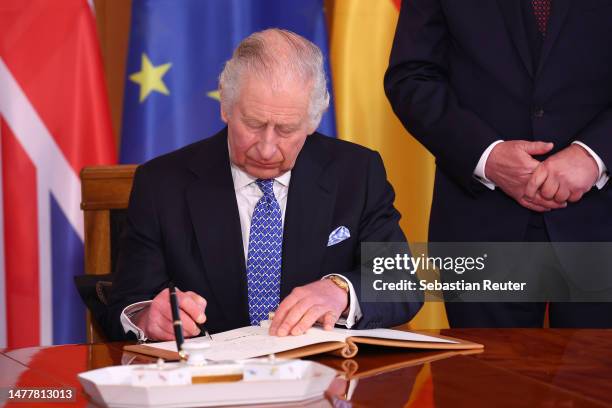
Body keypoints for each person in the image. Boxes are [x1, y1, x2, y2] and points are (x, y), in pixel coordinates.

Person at [105, 28, 421, 341]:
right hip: (210, 382)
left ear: (313, 120)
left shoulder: (356, 173)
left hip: (324, 376)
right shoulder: (161, 184)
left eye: (286, 129)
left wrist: (341, 291)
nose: (267, 148)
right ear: (225, 106)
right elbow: (129, 301)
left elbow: (400, 282)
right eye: (254, 125)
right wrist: (147, 317)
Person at [384, 0, 612, 327]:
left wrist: (594, 155)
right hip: (480, 219)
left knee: (597, 378)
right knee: (483, 377)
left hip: (602, 217)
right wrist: (487, 156)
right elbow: (411, 76)